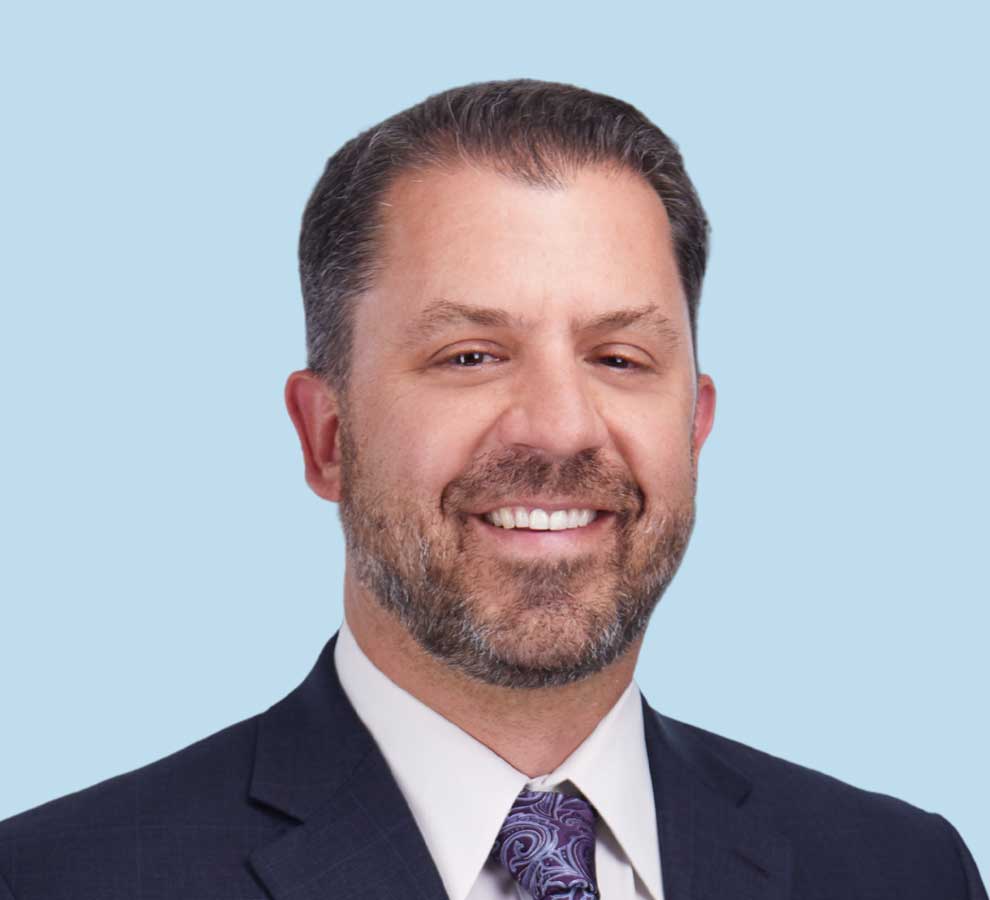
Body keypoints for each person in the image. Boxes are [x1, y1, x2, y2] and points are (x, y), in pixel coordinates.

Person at [0, 79, 984, 900]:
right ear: (326, 437)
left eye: (621, 356)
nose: (558, 426)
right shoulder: (60, 878)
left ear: (696, 424)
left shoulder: (902, 872)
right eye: (471, 354)